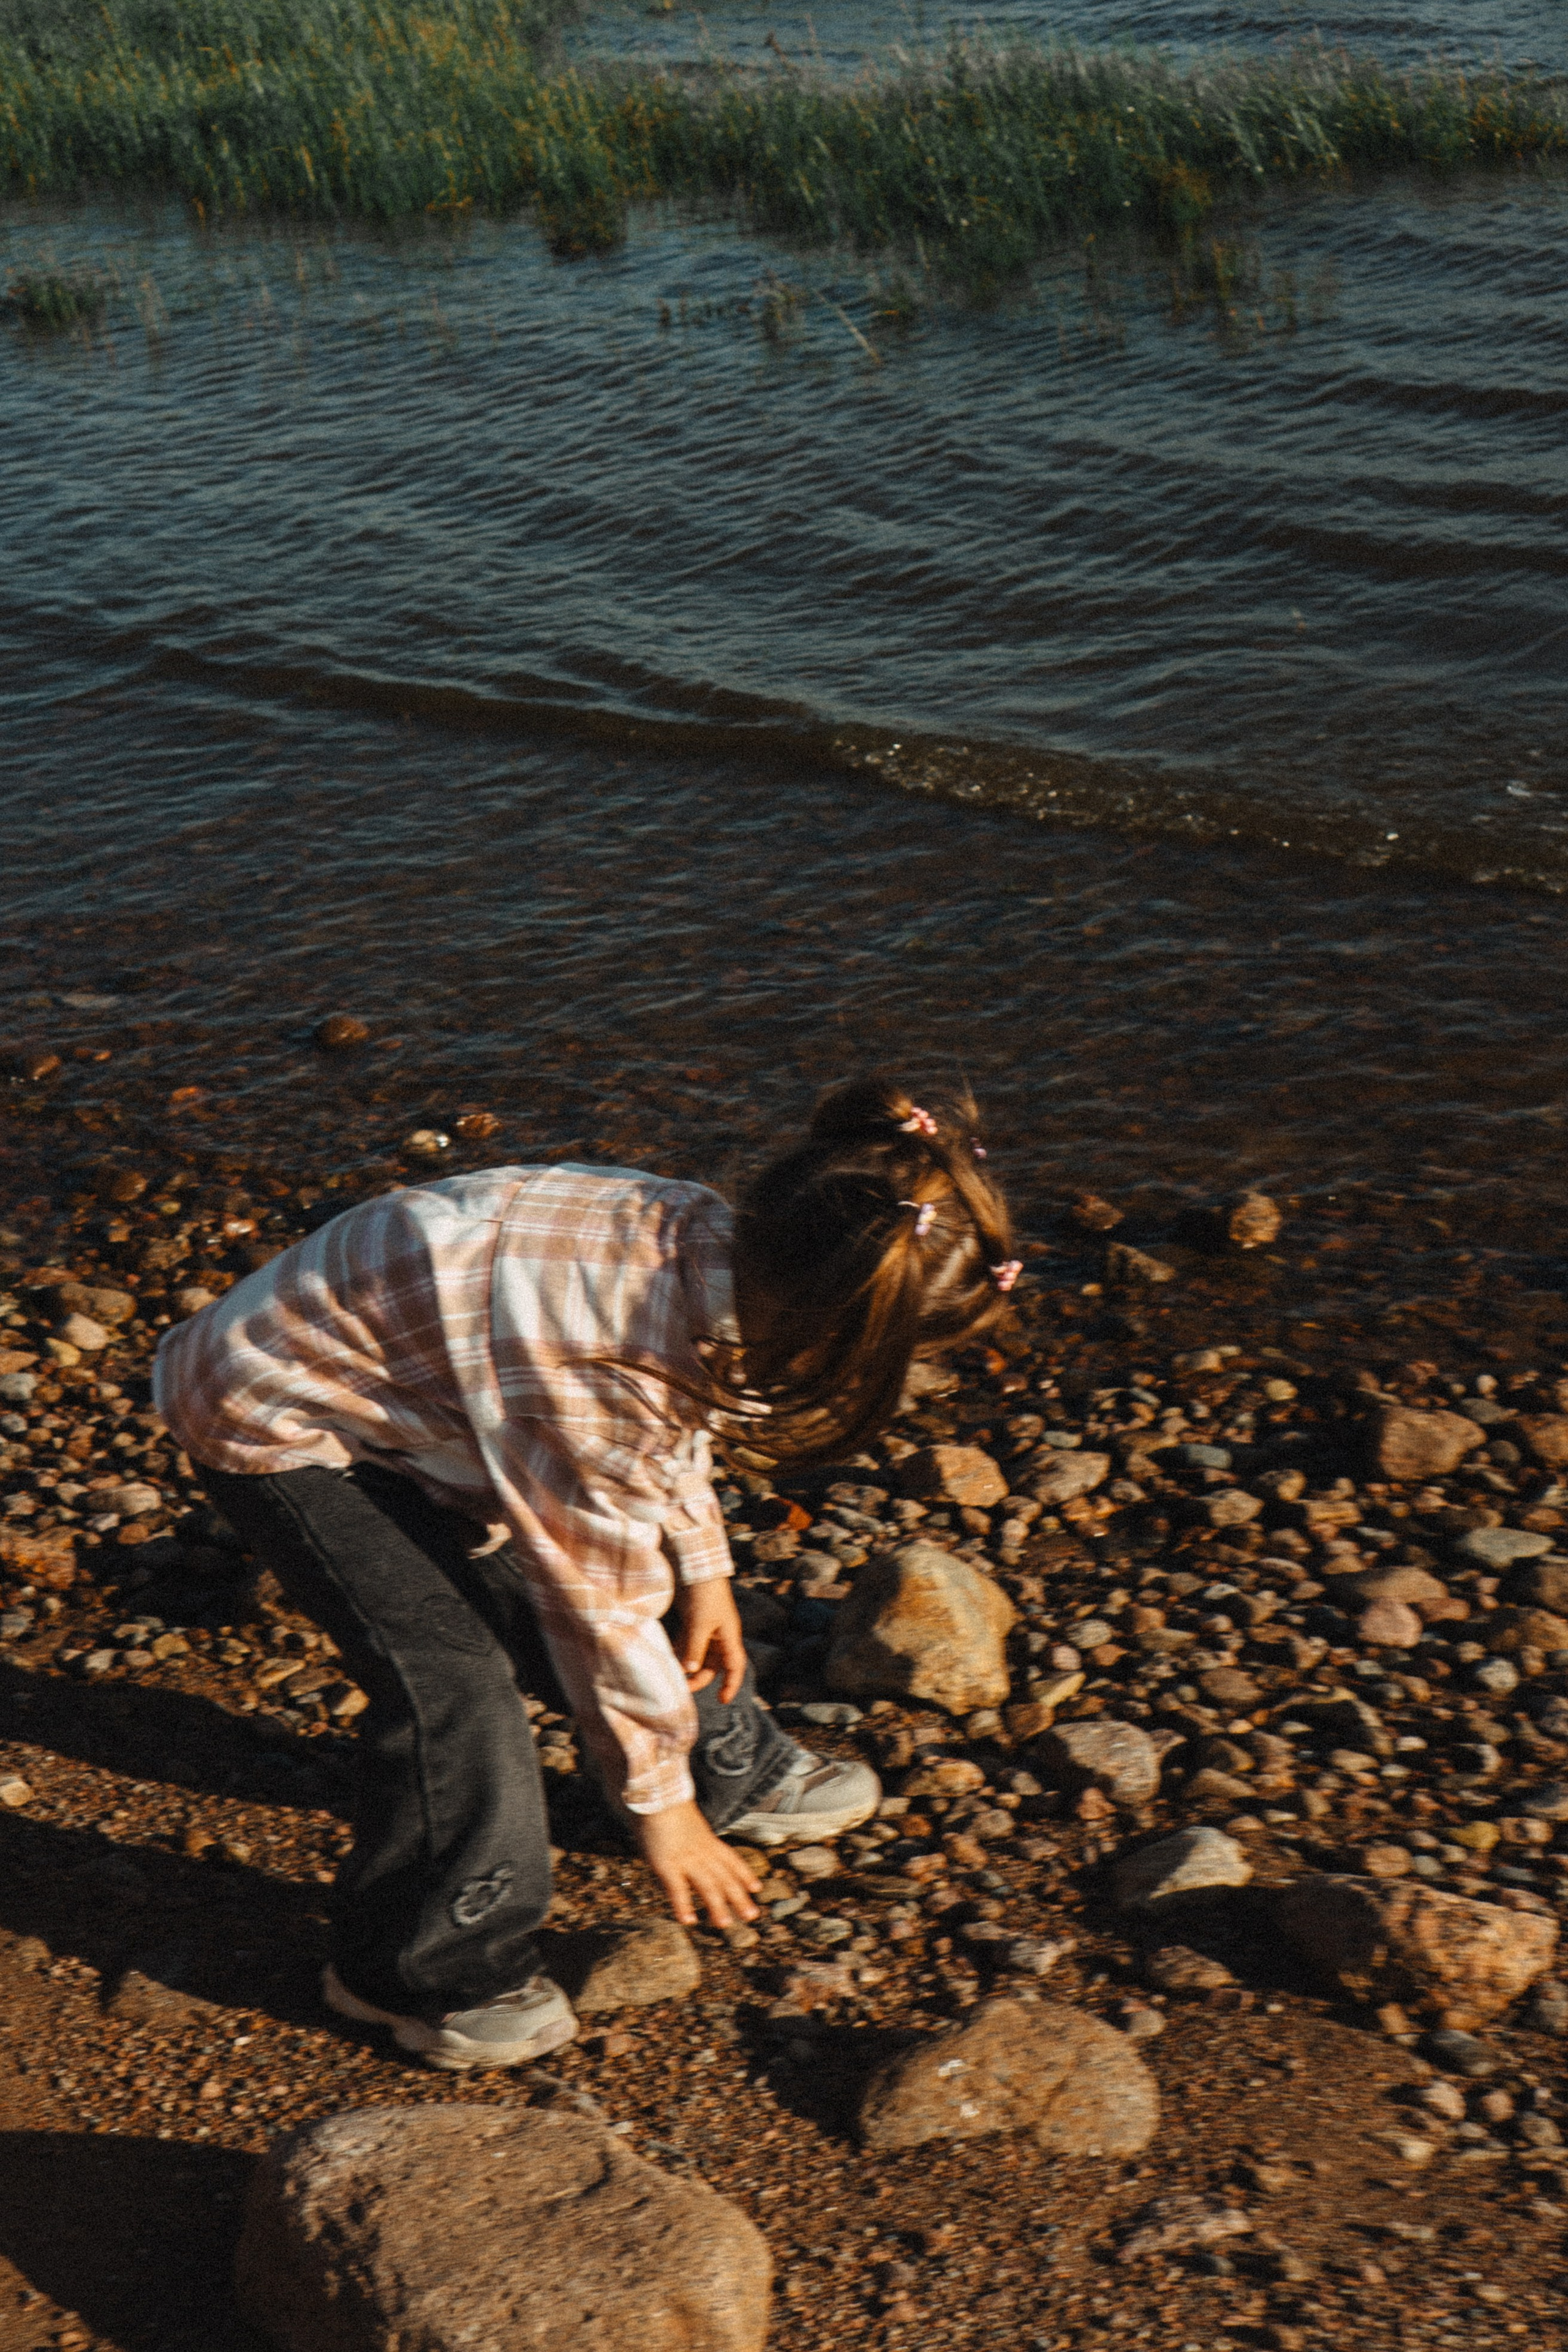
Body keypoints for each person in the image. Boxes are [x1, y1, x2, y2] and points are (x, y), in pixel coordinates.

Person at [153, 1077, 1017, 2071]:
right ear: (821, 1330)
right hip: (275, 1419)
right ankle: (416, 1968)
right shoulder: (596, 1361)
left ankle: (726, 1765)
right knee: (453, 1677)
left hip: (430, 1395)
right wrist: (659, 1813)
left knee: (643, 1576)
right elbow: (596, 1600)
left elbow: (680, 1415)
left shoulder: (711, 1236)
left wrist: (707, 1569)